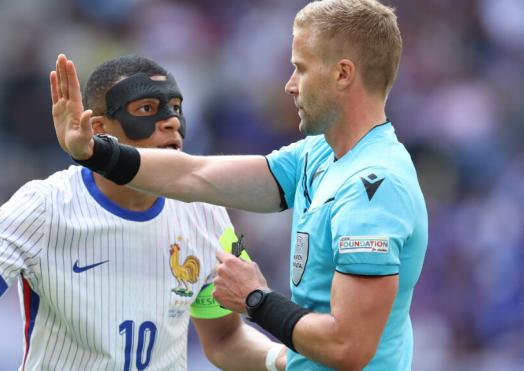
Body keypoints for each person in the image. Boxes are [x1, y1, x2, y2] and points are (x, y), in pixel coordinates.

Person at [54, 0, 428, 370]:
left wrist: (255, 299)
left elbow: (348, 347)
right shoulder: (319, 154)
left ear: (343, 74)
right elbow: (192, 174)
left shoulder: (373, 188)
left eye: (301, 69)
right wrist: (94, 152)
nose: (290, 85)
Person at [0, 55, 286, 371]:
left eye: (175, 108)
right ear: (98, 129)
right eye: (147, 110)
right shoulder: (44, 207)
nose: (171, 121)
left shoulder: (207, 212)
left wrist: (288, 361)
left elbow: (225, 338)